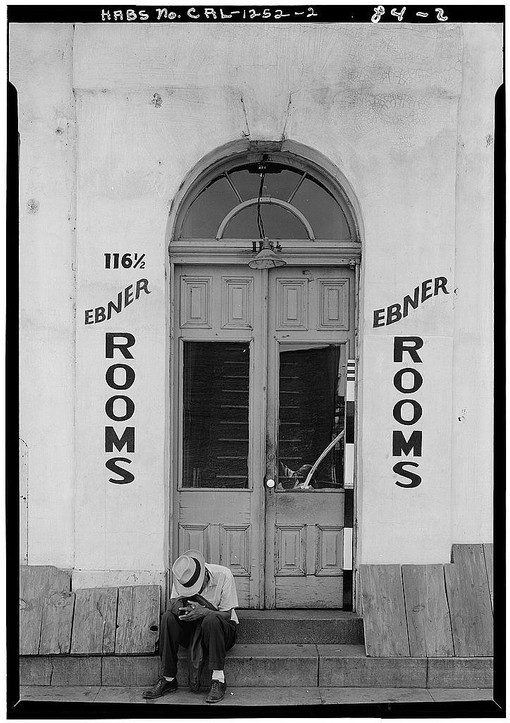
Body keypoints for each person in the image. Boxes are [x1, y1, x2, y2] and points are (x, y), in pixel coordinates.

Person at [143, 549, 239, 704]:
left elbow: (227, 615)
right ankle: (168, 678)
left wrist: (204, 611)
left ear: (204, 575)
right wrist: (184, 609)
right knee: (168, 617)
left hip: (221, 632)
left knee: (211, 619)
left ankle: (218, 680)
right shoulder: (182, 578)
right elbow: (173, 604)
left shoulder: (224, 575)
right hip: (193, 629)